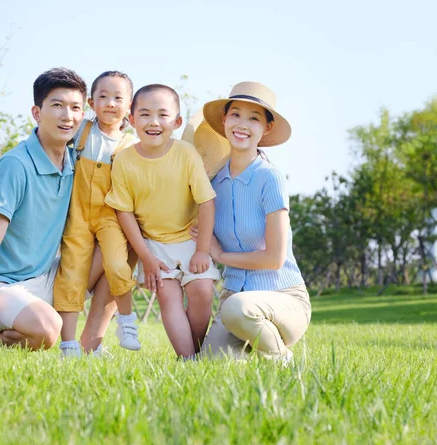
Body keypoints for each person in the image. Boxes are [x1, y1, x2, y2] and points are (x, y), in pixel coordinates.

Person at [0, 67, 110, 351]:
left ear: (83, 116)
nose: (67, 116)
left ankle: (91, 346)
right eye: (57, 105)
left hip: (46, 277)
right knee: (47, 329)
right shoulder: (15, 165)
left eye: (75, 108)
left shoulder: (75, 164)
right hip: (2, 286)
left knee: (116, 251)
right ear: (37, 112)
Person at [187, 81, 311, 363]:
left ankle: (280, 357)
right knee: (213, 365)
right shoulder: (212, 183)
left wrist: (219, 255)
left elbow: (274, 259)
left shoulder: (269, 177)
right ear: (224, 119)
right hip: (234, 297)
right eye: (236, 115)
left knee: (236, 309)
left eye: (254, 118)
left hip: (283, 298)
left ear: (266, 128)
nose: (242, 125)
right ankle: (255, 346)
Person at [105, 84, 221, 358]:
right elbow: (125, 212)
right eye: (144, 114)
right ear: (131, 120)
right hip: (154, 244)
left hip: (192, 238)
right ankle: (188, 359)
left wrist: (203, 250)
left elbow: (206, 201)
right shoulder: (124, 161)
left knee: (203, 292)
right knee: (168, 297)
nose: (153, 122)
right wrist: (145, 256)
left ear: (177, 122)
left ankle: (195, 350)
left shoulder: (185, 154)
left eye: (162, 115)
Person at [53, 71, 141, 357]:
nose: (110, 103)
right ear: (91, 102)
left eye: (118, 98)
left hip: (109, 217)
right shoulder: (82, 131)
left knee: (118, 265)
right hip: (77, 214)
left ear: (129, 106)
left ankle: (123, 323)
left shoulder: (130, 145)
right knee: (72, 273)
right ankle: (68, 345)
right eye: (103, 97)